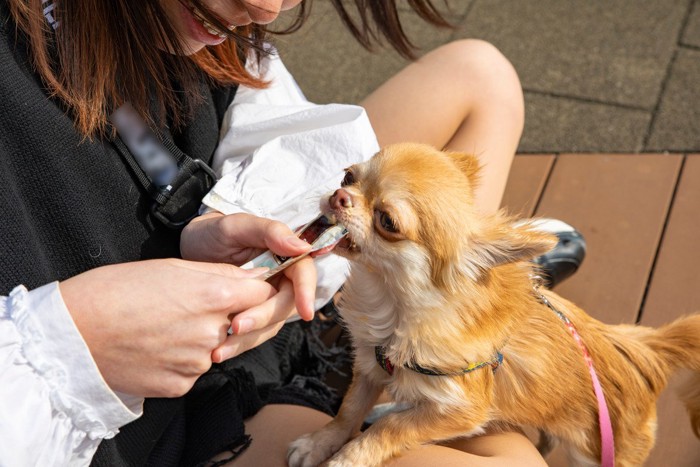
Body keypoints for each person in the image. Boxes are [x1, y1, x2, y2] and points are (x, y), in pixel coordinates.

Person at [0, 0, 563, 465]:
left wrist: (220, 217)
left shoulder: (214, 23)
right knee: (515, 455)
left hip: (269, 325)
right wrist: (79, 342)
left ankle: (448, 281)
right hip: (160, 424)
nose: (269, 8)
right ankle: (438, 290)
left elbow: (255, 109)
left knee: (480, 75)